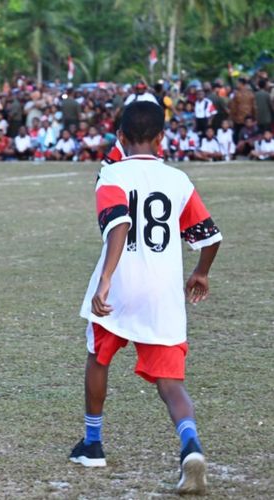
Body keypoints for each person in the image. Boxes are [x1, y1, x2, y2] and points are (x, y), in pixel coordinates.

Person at [69, 101, 222, 496]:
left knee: (98, 357)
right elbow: (209, 236)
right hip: (163, 292)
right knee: (170, 382)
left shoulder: (112, 174)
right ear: (161, 139)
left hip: (119, 287)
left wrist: (104, 281)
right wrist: (201, 272)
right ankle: (191, 446)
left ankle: (93, 444)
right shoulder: (178, 179)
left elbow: (119, 225)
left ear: (119, 138)